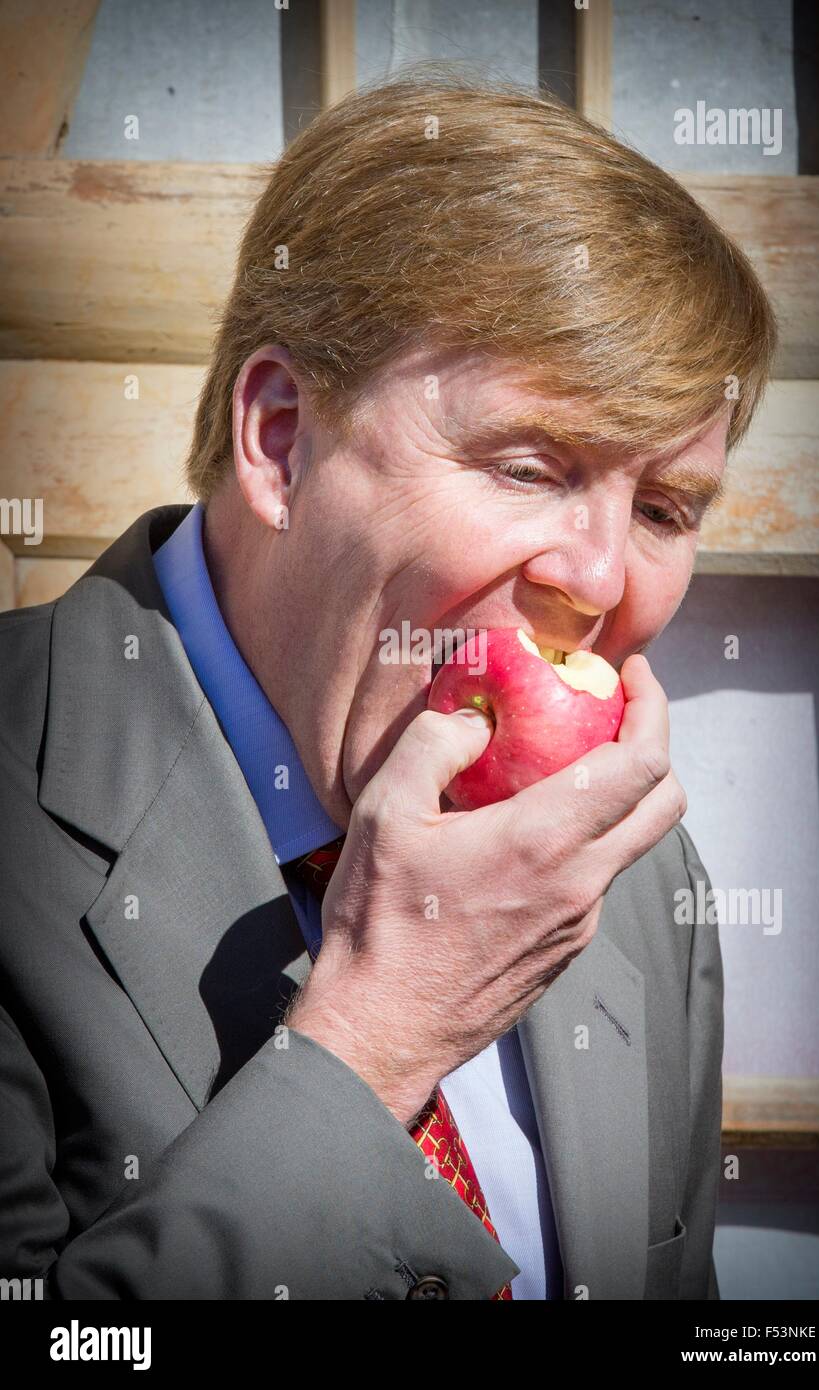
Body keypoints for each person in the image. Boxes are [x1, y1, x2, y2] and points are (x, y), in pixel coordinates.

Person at [0, 71, 775, 1300]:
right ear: (280, 434)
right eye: (530, 467)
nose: (600, 578)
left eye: (666, 507)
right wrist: (371, 1044)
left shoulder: (625, 877)